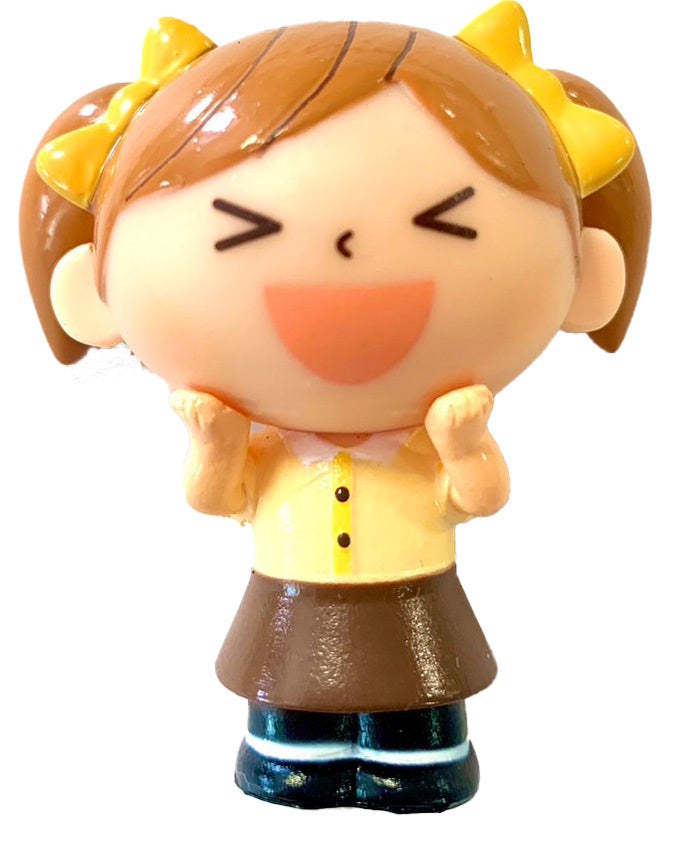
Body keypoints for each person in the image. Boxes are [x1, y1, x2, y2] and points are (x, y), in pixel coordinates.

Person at [19, 3, 650, 812]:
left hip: (416, 605)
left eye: (443, 222)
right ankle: (295, 759)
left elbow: (480, 495)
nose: (349, 258)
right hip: (290, 606)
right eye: (248, 229)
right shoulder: (271, 449)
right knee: (289, 713)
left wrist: (464, 444)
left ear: (587, 270)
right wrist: (214, 443)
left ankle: (415, 762)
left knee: (418, 713)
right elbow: (218, 497)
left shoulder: (431, 435)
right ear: (93, 288)